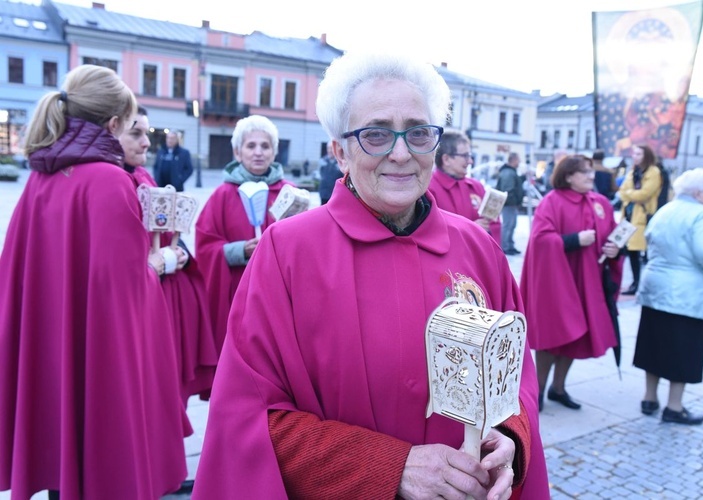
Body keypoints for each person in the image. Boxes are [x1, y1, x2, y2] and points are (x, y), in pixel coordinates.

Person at [192, 51, 549, 500]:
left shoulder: (479, 248)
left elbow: (517, 378)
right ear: (340, 151)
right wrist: (389, 468)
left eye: (418, 133)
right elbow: (250, 420)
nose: (401, 153)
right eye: (376, 135)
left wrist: (511, 438)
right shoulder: (286, 253)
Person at [0, 65, 187, 499]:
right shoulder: (107, 181)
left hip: (49, 348)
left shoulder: (40, 177)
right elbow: (124, 294)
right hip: (100, 358)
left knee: (60, 455)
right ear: (114, 124)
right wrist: (159, 262)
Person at [121, 105, 217, 406]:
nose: (147, 142)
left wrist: (179, 255)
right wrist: (157, 262)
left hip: (164, 301)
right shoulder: (113, 183)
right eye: (136, 133)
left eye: (146, 134)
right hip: (141, 306)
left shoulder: (142, 176)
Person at [521, 155, 623, 411]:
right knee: (554, 337)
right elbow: (541, 240)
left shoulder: (600, 203)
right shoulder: (552, 202)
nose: (591, 176)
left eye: (590, 171)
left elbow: (613, 237)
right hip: (559, 284)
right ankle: (539, 392)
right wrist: (575, 239)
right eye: (584, 172)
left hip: (589, 282)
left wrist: (615, 250)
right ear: (568, 176)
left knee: (578, 336)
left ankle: (559, 388)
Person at [634, 168, 703, 425]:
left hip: (655, 287)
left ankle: (649, 397)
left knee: (653, 345)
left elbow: (649, 238)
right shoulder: (701, 214)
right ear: (699, 192)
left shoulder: (666, 209)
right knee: (683, 349)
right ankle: (674, 406)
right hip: (685, 295)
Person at [195, 114, 295, 358]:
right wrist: (240, 251)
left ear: (274, 152)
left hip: (279, 293)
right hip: (237, 292)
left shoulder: (289, 193)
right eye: (251, 146)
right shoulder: (223, 195)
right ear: (238, 153)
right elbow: (205, 246)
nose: (258, 152)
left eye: (265, 145)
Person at [428, 130, 502, 248]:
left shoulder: (476, 186)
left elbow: (495, 225)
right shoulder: (428, 189)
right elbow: (428, 232)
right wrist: (471, 229)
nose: (470, 161)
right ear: (446, 159)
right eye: (465, 156)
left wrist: (488, 228)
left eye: (470, 156)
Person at [618, 143, 661, 295]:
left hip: (642, 216)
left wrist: (630, 194)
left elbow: (645, 194)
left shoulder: (653, 172)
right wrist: (631, 194)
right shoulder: (632, 171)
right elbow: (622, 191)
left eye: (638, 154)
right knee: (627, 250)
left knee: (640, 251)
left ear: (646, 156)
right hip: (628, 216)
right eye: (634, 154)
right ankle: (634, 283)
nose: (634, 157)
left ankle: (643, 284)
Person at [496, 152, 525, 255]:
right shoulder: (508, 172)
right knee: (508, 225)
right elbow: (508, 189)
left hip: (510, 203)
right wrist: (514, 201)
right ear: (513, 160)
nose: (519, 162)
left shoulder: (510, 172)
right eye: (518, 159)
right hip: (509, 204)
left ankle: (509, 245)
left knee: (511, 225)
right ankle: (505, 247)